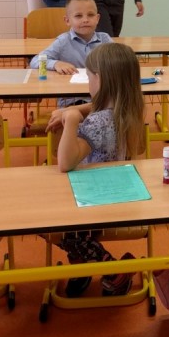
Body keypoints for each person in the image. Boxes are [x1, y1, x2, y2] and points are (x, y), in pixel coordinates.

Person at [48, 42, 146, 297]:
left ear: (100, 79)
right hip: (119, 190)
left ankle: (113, 270)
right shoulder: (130, 109)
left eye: (90, 76)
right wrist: (77, 108)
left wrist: (71, 120)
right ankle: (83, 267)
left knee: (56, 229)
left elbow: (66, 163)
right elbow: (100, 108)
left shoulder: (98, 123)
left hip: (95, 199)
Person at [28, 0, 112, 107]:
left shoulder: (105, 39)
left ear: (97, 19)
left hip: (102, 99)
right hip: (72, 101)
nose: (85, 20)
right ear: (67, 20)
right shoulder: (63, 41)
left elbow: (120, 61)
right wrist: (55, 64)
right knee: (73, 115)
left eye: (90, 15)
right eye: (78, 16)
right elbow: (35, 60)